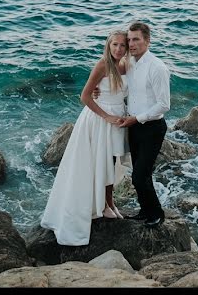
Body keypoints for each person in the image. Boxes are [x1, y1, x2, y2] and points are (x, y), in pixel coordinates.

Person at [40, 31, 132, 246]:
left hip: (118, 118)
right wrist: (106, 115)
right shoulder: (103, 64)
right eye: (115, 45)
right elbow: (84, 95)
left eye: (122, 46)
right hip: (99, 120)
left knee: (111, 161)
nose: (118, 49)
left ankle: (109, 203)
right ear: (108, 46)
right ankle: (99, 206)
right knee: (96, 162)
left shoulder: (127, 65)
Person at [115, 21, 171, 228]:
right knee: (139, 173)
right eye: (129, 40)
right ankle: (144, 210)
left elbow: (164, 105)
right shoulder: (130, 64)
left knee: (140, 174)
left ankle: (157, 213)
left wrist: (136, 119)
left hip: (152, 127)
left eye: (136, 39)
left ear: (147, 41)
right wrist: (97, 91)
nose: (131, 44)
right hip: (134, 125)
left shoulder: (157, 67)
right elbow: (110, 75)